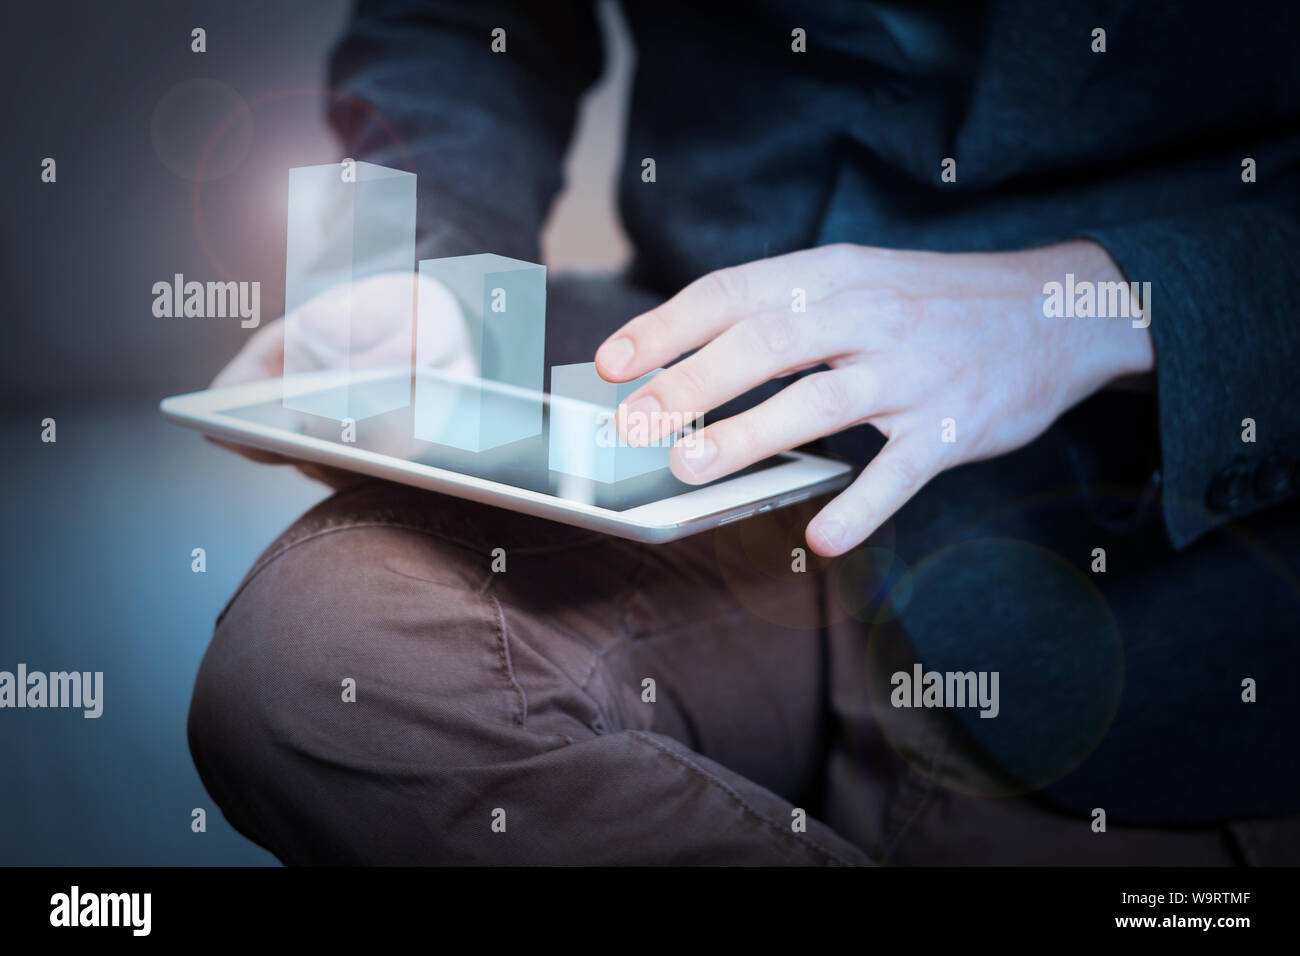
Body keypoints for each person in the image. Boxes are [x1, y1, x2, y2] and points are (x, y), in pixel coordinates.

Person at [187, 0, 1300, 864]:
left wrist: (1103, 300)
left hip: (1158, 575)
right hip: (693, 422)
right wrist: (423, 266)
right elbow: (465, 26)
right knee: (318, 669)